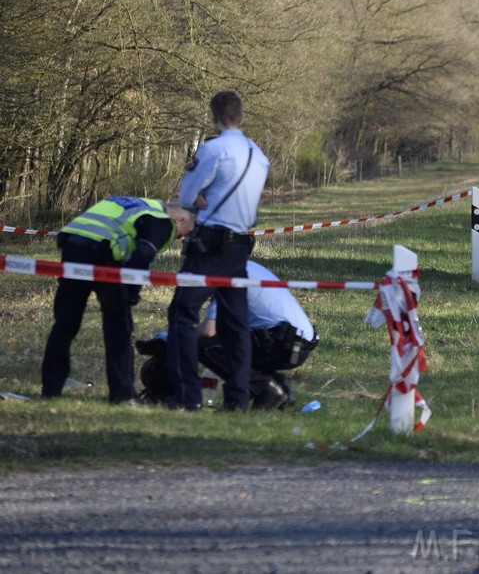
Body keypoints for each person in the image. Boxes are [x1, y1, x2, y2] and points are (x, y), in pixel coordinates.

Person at [166, 90, 269, 411]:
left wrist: (196, 197)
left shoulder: (214, 148)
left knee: (182, 315)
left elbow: (186, 196)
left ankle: (187, 396)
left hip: (209, 247)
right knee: (235, 324)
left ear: (213, 116)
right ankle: (237, 400)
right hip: (240, 247)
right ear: (242, 116)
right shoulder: (259, 154)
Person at [41, 197, 194, 403]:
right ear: (180, 219)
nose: (177, 239)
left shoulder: (128, 203)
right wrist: (131, 293)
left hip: (73, 245)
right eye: (181, 235)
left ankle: (51, 390)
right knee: (118, 327)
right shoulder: (161, 219)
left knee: (65, 324)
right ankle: (123, 396)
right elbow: (143, 255)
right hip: (103, 256)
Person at [136, 260, 318, 410]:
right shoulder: (243, 265)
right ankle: (276, 383)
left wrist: (171, 337)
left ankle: (266, 388)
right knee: (225, 340)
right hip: (293, 342)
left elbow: (209, 331)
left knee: (205, 344)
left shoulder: (223, 272)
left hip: (282, 343)